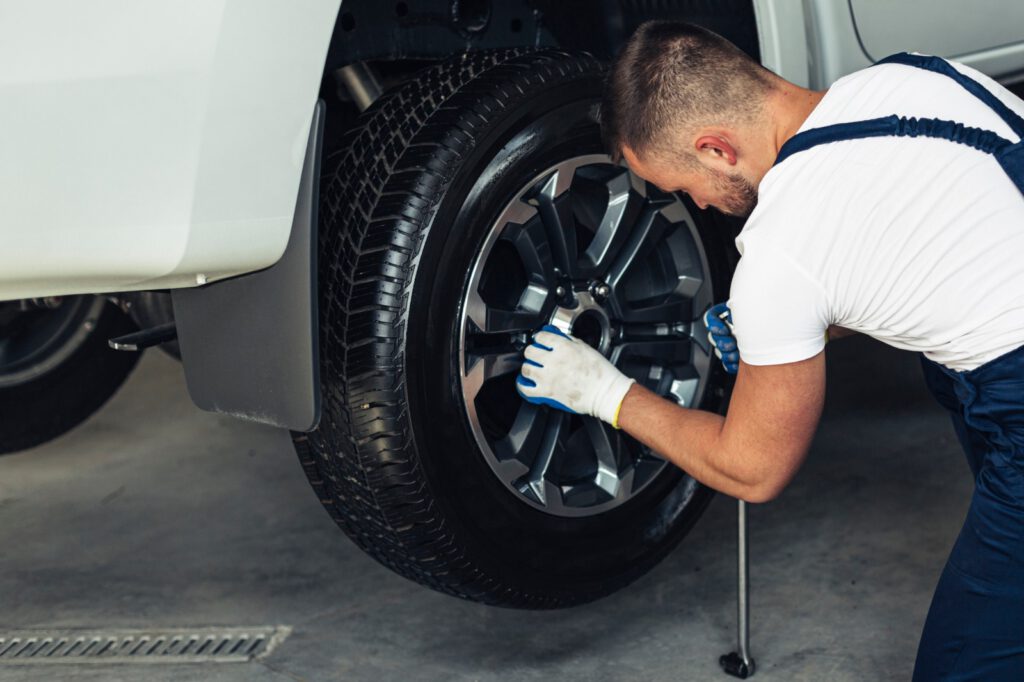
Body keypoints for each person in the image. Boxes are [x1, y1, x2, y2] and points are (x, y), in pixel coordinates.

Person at [514, 20, 1024, 681]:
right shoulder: (914, 76)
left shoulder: (782, 251)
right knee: (951, 371)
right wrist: (798, 332)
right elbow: (947, 256)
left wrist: (602, 392)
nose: (697, 204)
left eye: (682, 186)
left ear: (718, 149)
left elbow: (752, 471)